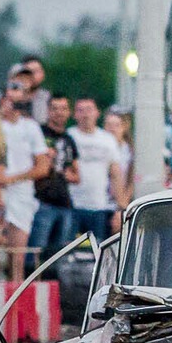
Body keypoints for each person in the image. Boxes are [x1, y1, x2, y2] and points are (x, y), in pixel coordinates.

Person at [0, 78, 50, 281]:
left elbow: (42, 166)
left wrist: (12, 178)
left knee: (17, 256)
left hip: (21, 193)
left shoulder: (30, 127)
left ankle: (15, 299)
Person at [27, 94, 80, 267]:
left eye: (63, 108)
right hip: (41, 200)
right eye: (55, 108)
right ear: (48, 111)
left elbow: (77, 175)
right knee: (35, 254)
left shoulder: (69, 139)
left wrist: (64, 173)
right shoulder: (38, 133)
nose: (59, 112)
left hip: (64, 203)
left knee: (62, 257)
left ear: (69, 112)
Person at [68, 97, 123, 240]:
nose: (85, 115)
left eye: (89, 110)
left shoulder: (107, 140)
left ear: (97, 113)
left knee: (98, 250)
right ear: (74, 114)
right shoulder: (69, 136)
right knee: (68, 251)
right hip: (71, 205)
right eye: (80, 110)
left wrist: (120, 208)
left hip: (99, 206)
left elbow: (116, 174)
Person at [103, 108, 134, 228]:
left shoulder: (129, 151)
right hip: (102, 202)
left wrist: (123, 205)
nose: (112, 129)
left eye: (116, 125)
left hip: (120, 203)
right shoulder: (100, 147)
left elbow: (131, 179)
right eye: (108, 125)